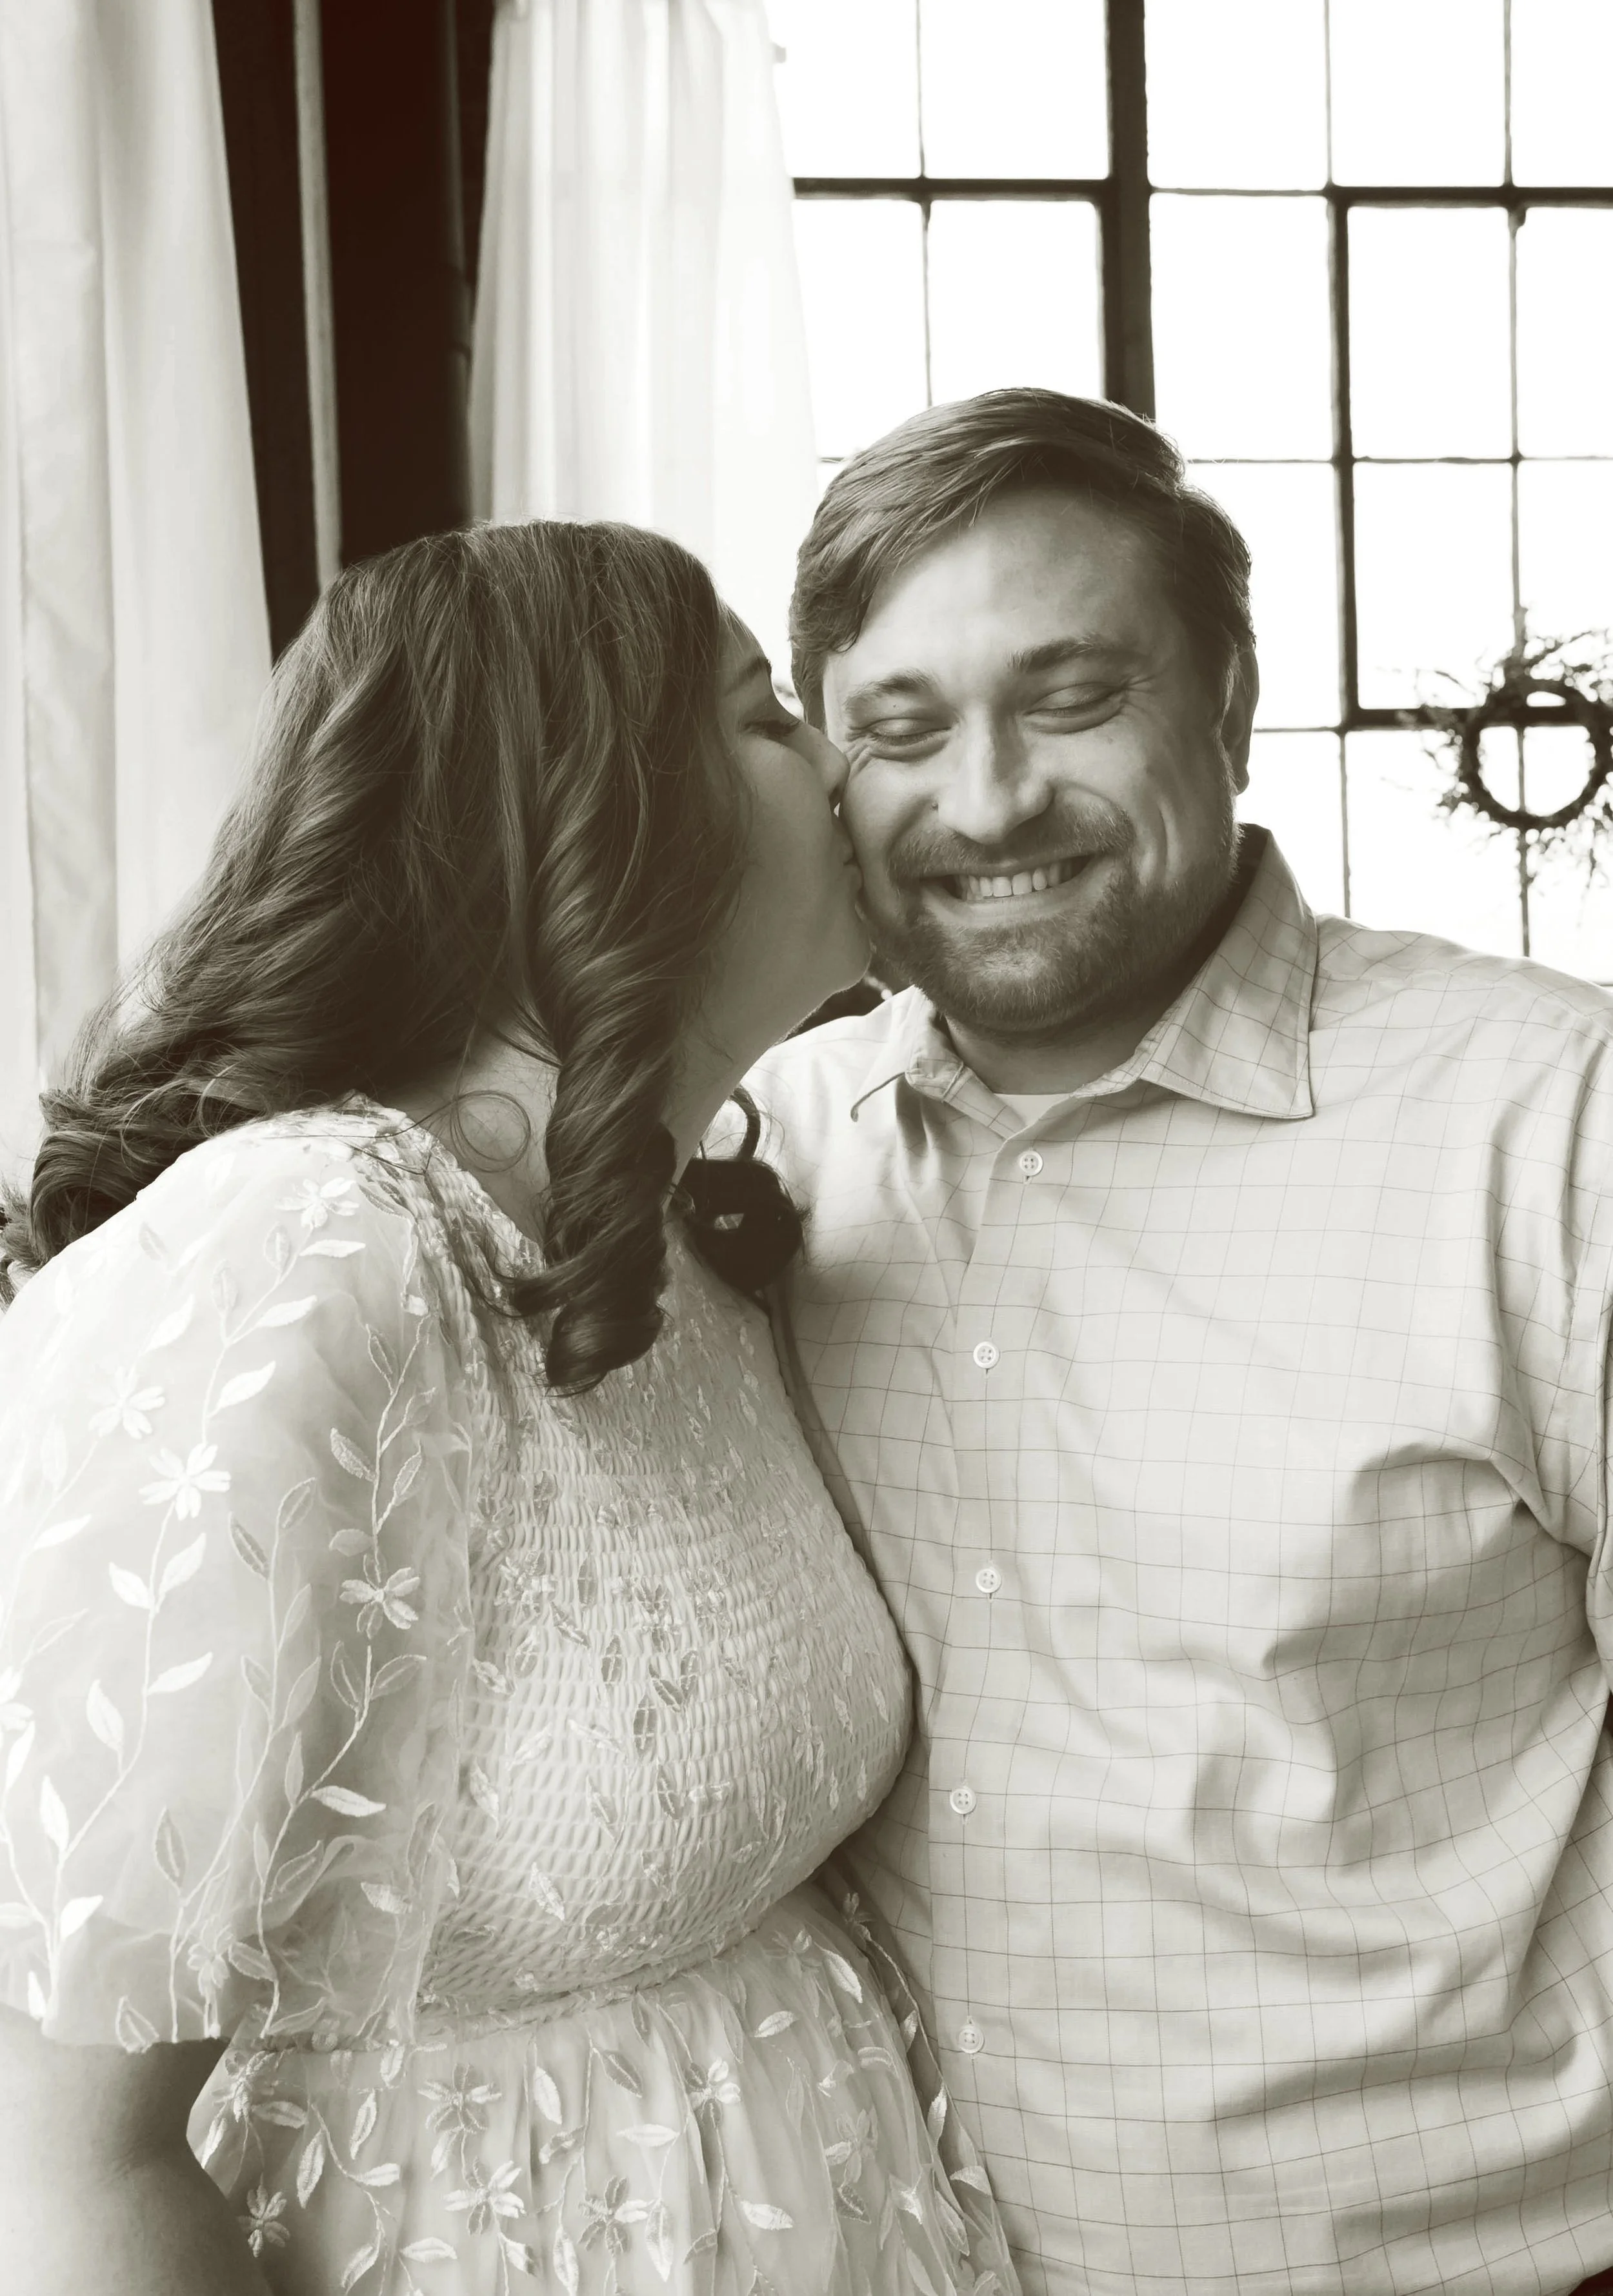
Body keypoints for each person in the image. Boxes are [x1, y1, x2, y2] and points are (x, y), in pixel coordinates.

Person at [0, 520, 1020, 2296]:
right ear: (596, 809)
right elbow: (64, 2164)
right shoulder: (306, 1251)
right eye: (766, 712)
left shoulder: (674, 1234)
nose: (846, 759)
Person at [745, 387, 1613, 2296]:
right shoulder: (761, 1157)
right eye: (901, 730)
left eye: (1071, 700)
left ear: (1229, 705)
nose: (986, 802)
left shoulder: (1554, 1125)